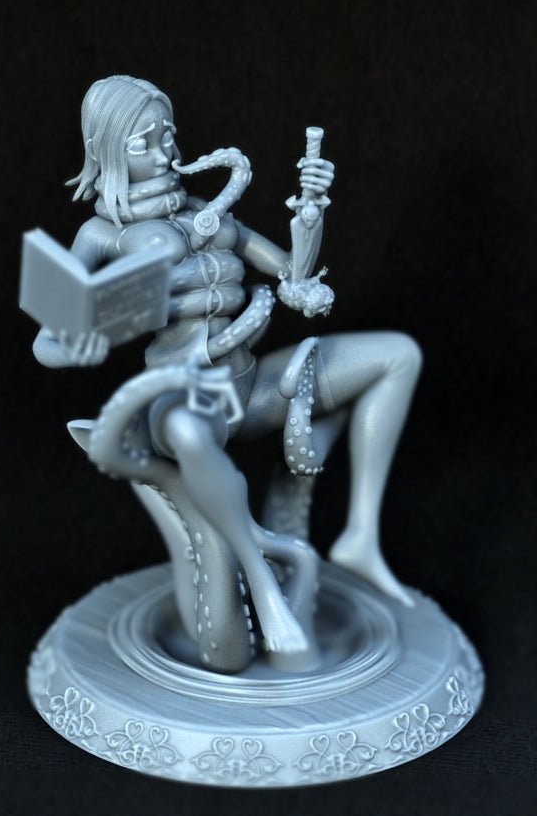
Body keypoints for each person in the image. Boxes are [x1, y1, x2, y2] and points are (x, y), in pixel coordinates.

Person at [32, 76, 422, 660]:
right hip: (183, 401)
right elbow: (47, 341)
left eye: (168, 135)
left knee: (398, 356)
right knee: (226, 648)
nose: (164, 153)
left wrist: (310, 211)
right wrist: (85, 338)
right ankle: (261, 578)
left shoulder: (208, 214)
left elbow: (291, 271)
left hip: (250, 383)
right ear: (106, 150)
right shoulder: (101, 233)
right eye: (142, 143)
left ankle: (361, 534)